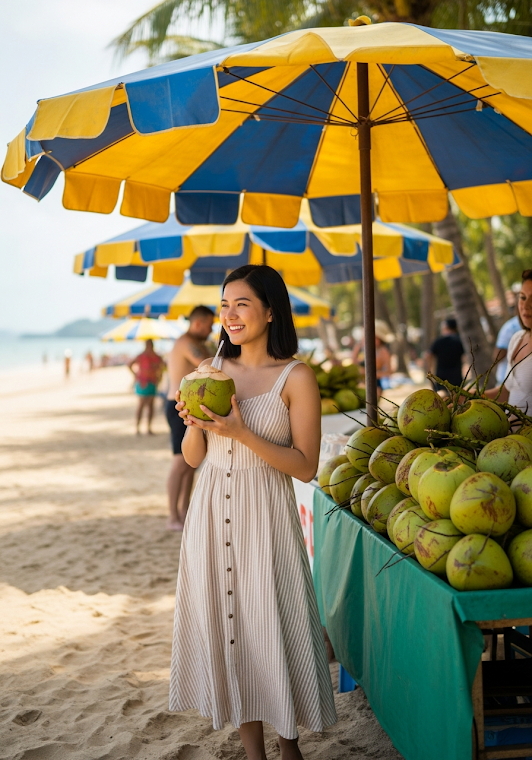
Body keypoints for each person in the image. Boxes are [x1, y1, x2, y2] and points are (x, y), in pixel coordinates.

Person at [172, 265, 336, 760]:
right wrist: (194, 424)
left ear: (270, 310)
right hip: (209, 513)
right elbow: (192, 459)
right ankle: (253, 753)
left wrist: (241, 432)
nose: (229, 315)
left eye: (241, 304)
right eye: (224, 305)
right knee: (231, 628)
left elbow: (306, 467)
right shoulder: (209, 373)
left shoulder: (296, 377)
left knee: (270, 625)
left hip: (264, 516)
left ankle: (290, 748)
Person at [165, 305, 215, 531]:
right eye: (209, 325)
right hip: (177, 406)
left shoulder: (194, 343)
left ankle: (184, 511)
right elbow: (212, 366)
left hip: (187, 406)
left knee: (189, 465)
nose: (211, 329)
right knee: (179, 462)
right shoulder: (187, 343)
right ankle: (172, 515)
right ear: (198, 323)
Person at [485, 269, 532, 412]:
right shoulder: (517, 339)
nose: (526, 305)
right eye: (523, 298)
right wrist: (465, 396)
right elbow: (506, 393)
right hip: (509, 432)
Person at [128, 339, 165, 435]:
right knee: (141, 404)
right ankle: (138, 427)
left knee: (151, 405)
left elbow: (163, 366)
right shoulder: (141, 356)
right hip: (143, 382)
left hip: (152, 382)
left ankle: (148, 428)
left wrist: (159, 376)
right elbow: (129, 365)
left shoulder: (156, 357)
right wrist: (135, 375)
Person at [352, 320, 392, 398]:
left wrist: (372, 374)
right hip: (359, 383)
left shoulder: (383, 351)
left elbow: (388, 371)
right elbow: (354, 362)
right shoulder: (359, 347)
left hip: (375, 384)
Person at [426, 318, 464, 393]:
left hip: (441, 376)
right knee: (456, 398)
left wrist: (429, 371)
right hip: (456, 376)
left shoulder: (439, 341)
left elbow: (428, 355)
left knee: (441, 397)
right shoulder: (460, 341)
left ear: (446, 327)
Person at [493, 313, 521, 384]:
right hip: (506, 381)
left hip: (509, 380)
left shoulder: (511, 326)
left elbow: (497, 356)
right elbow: (499, 355)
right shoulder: (511, 327)